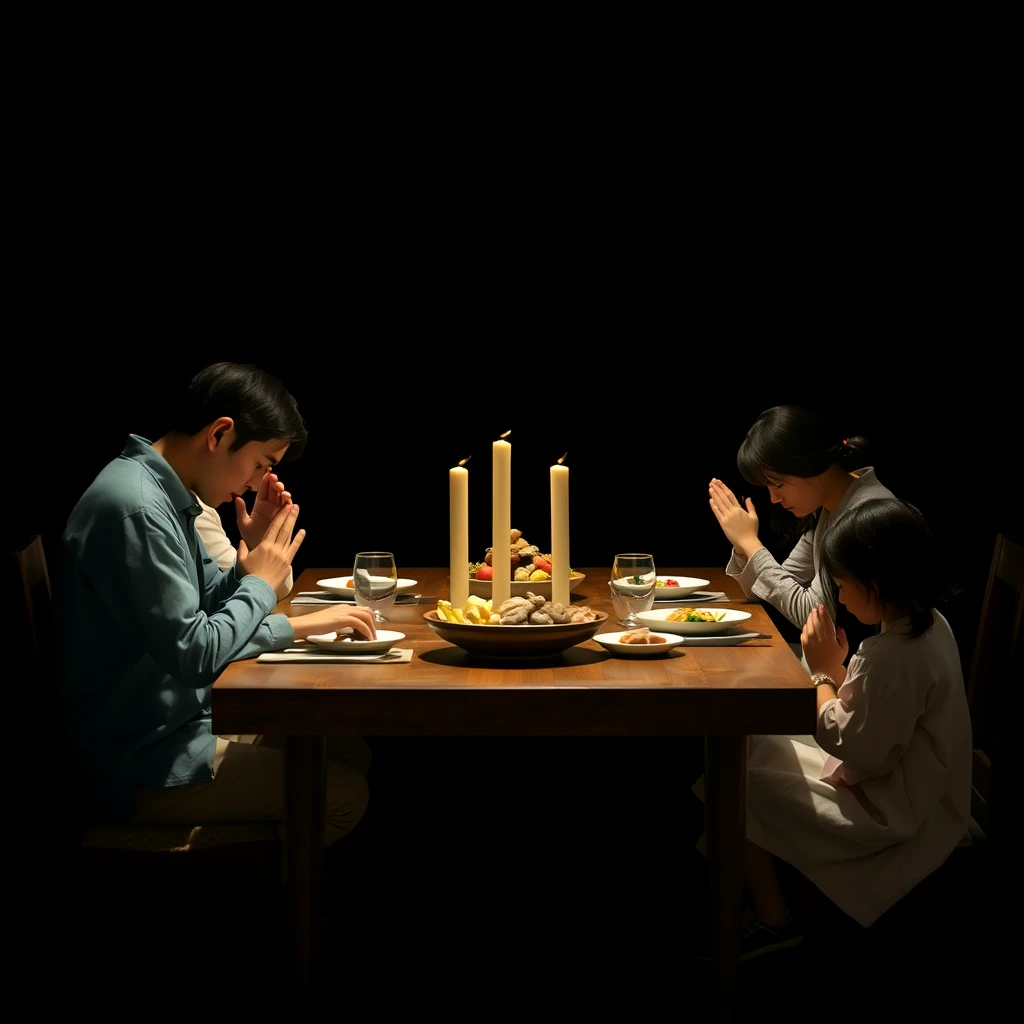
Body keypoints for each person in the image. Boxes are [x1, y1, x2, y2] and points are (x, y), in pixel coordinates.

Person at [56, 361, 377, 850]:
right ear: (221, 433)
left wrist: (252, 567)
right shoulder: (137, 507)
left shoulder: (165, 493)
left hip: (175, 726)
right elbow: (197, 652)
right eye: (261, 464)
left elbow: (207, 607)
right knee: (343, 793)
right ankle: (277, 908)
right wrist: (264, 589)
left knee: (346, 749)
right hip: (139, 764)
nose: (255, 483)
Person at [695, 498, 972, 958]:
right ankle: (756, 896)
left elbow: (854, 743)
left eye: (842, 585)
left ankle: (772, 916)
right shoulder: (926, 625)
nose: (838, 598)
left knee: (739, 786)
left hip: (896, 810)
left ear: (876, 586)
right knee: (752, 745)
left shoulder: (896, 655)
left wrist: (824, 673)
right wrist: (843, 675)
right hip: (898, 777)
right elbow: (888, 720)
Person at [708, 404, 897, 656]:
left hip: (864, 665)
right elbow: (770, 589)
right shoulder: (831, 506)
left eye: (778, 484)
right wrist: (744, 546)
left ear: (810, 464)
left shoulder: (865, 512)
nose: (773, 498)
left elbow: (816, 615)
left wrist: (752, 544)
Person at [194, 485, 293, 600]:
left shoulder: (202, 508)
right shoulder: (198, 512)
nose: (254, 486)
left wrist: (260, 546)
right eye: (258, 466)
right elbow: (243, 599)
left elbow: (276, 590)